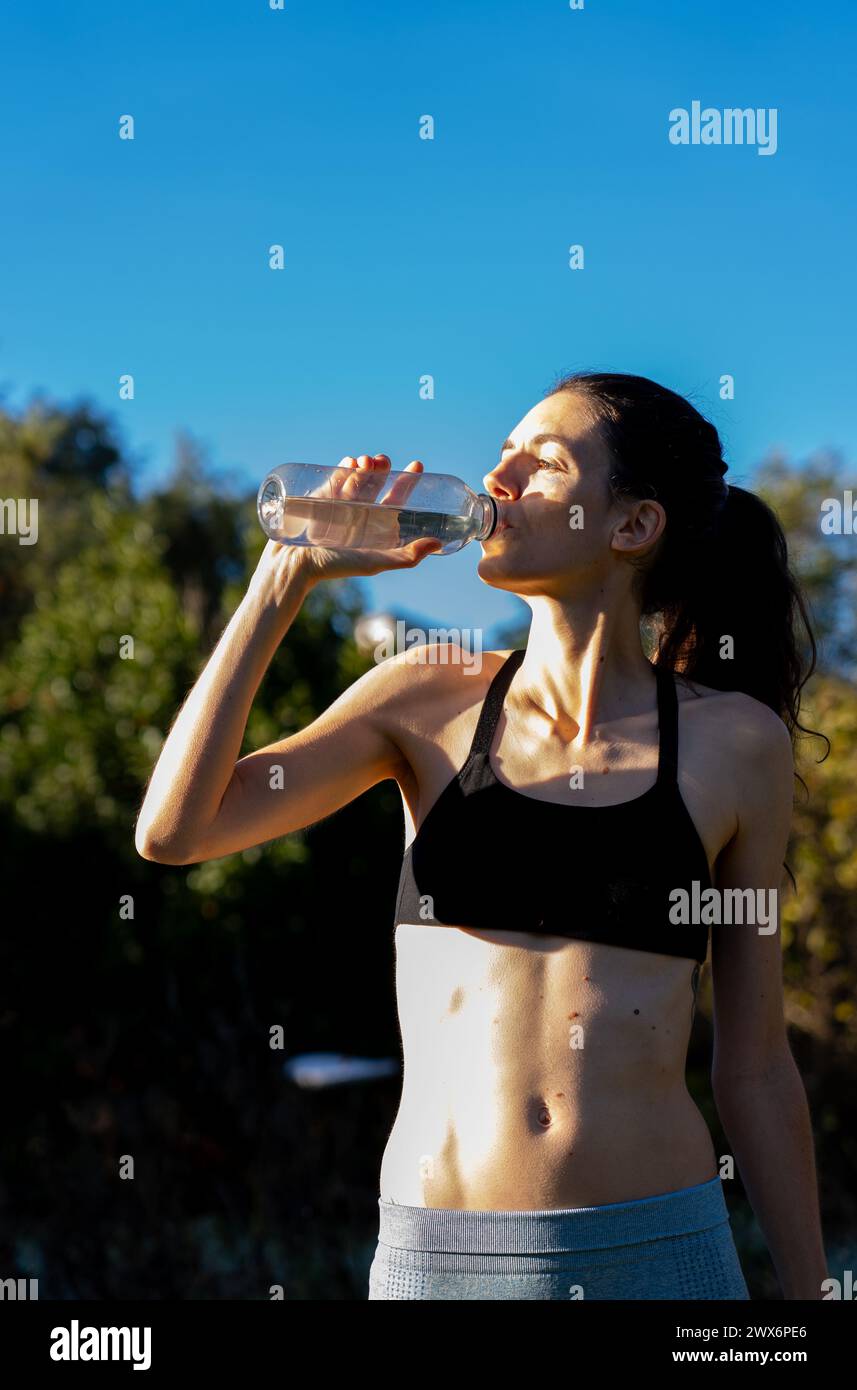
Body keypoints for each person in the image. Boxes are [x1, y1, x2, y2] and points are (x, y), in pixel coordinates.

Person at [135, 371, 828, 1301]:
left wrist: (810, 1297)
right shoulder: (426, 696)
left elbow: (752, 1064)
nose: (497, 476)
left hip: (657, 1255)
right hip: (437, 1263)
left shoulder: (736, 745)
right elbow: (176, 830)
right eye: (502, 451)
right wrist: (283, 578)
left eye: (541, 462)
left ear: (631, 527)